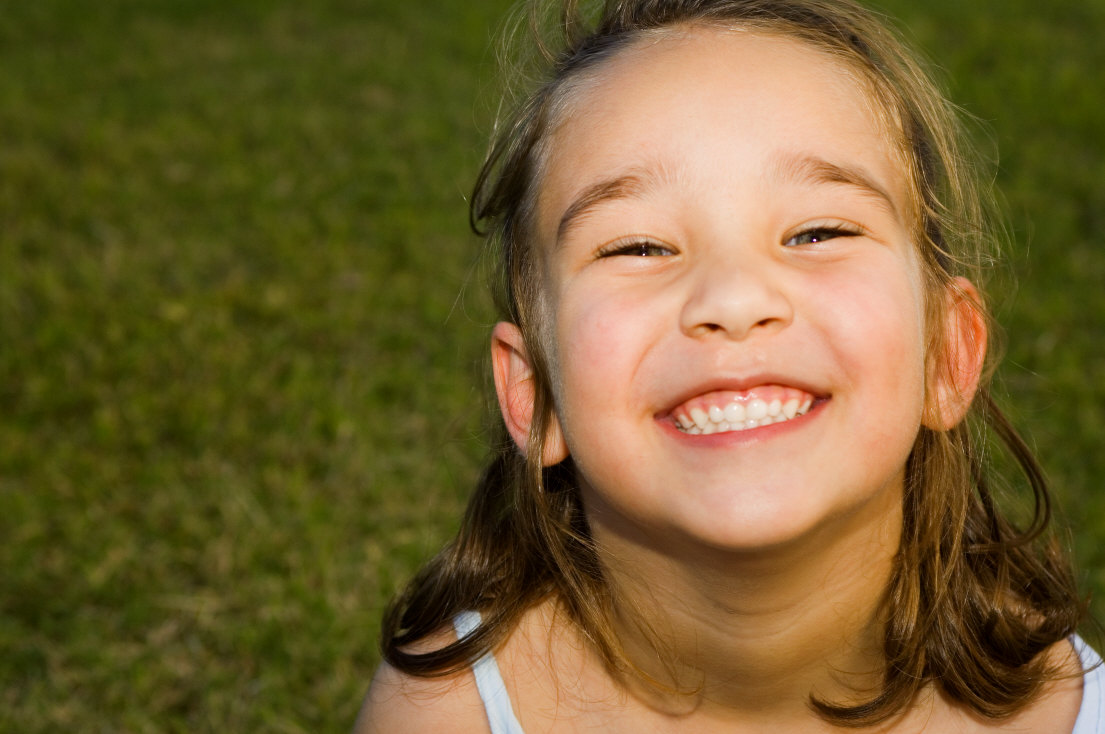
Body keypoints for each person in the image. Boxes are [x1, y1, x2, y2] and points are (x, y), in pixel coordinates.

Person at [356, 0, 1101, 730]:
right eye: (638, 247)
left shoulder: (1071, 711)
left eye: (816, 233)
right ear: (534, 392)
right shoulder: (441, 716)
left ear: (945, 352)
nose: (734, 298)